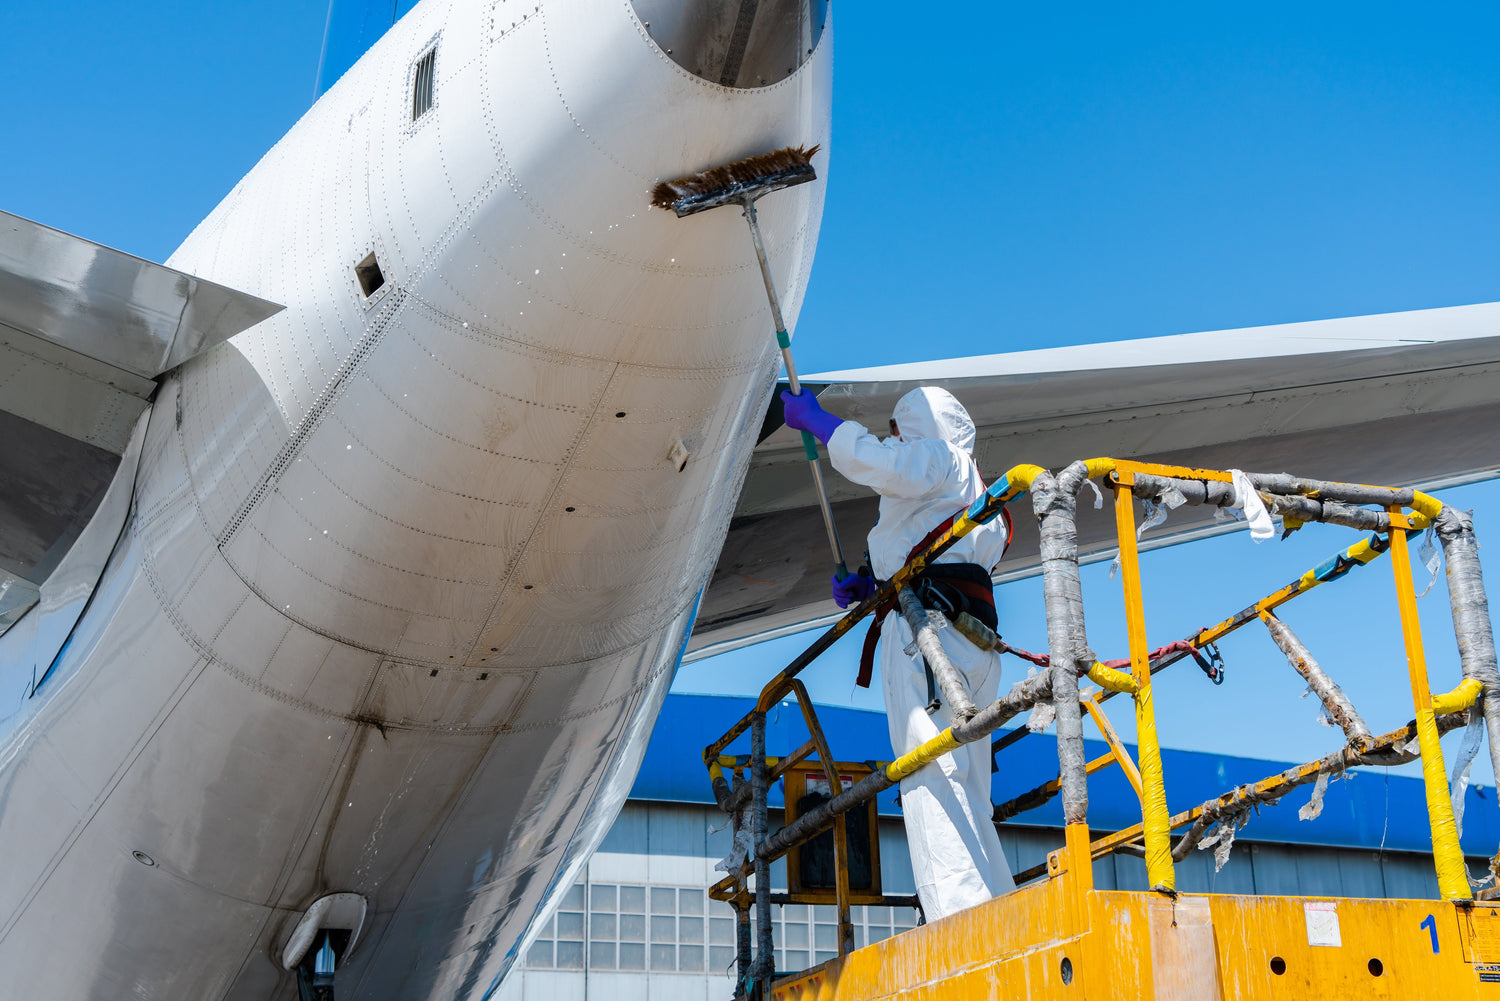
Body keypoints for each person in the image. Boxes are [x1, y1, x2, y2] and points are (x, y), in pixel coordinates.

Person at [781, 385, 1015, 922]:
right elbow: (943, 550)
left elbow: (880, 463)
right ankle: (995, 907)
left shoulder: (939, 458)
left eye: (897, 426)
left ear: (918, 426)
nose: (893, 436)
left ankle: (960, 919)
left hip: (925, 632)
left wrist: (819, 422)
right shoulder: (978, 493)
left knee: (928, 770)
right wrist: (873, 586)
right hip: (970, 636)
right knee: (968, 780)